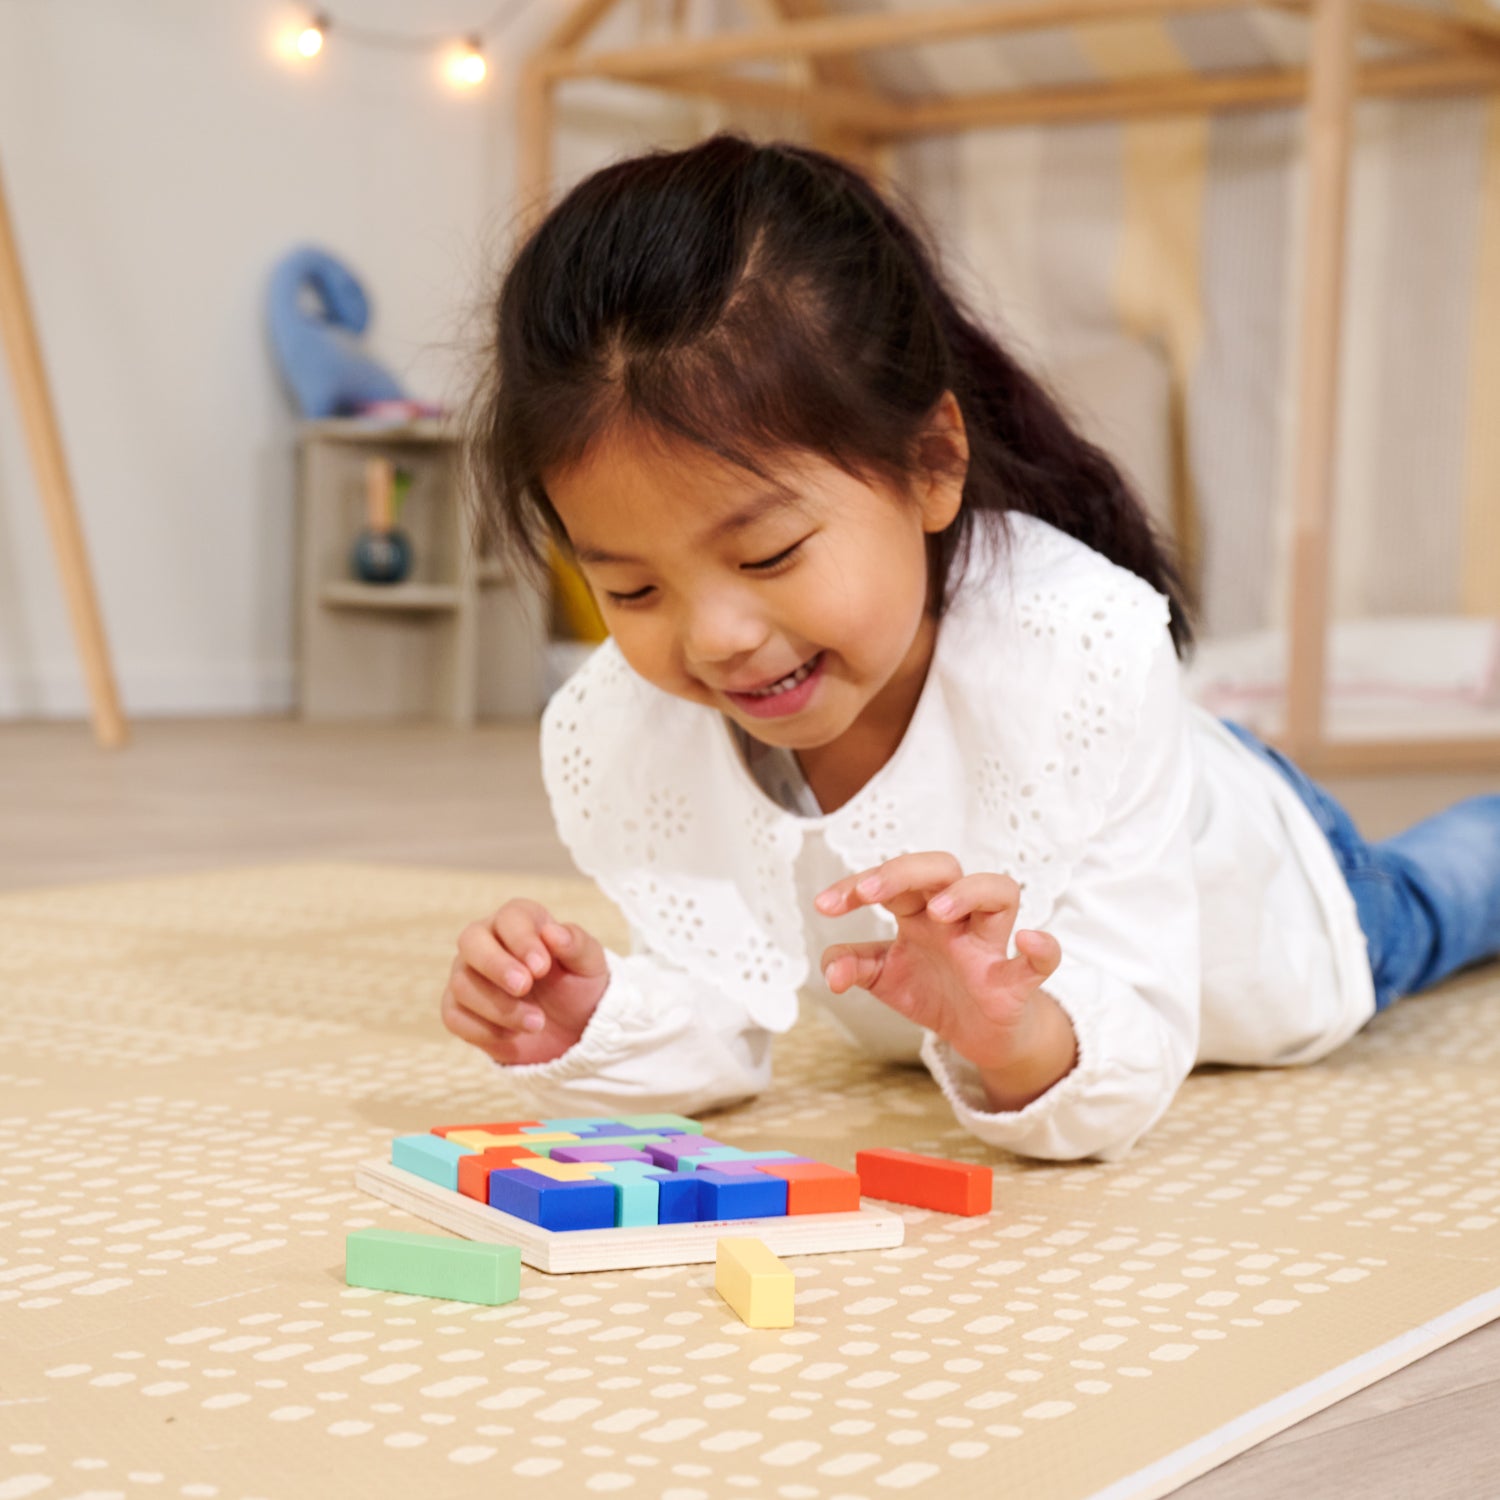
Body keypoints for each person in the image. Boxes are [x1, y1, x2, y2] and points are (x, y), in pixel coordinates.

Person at [441, 134, 1500, 1161]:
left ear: (933, 463)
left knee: (1445, 887)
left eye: (769, 554)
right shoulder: (642, 722)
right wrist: (592, 1016)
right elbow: (726, 999)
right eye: (630, 588)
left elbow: (1134, 1042)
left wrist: (1015, 1036)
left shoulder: (1069, 649)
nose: (715, 638)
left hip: (1282, 904)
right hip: (1126, 790)